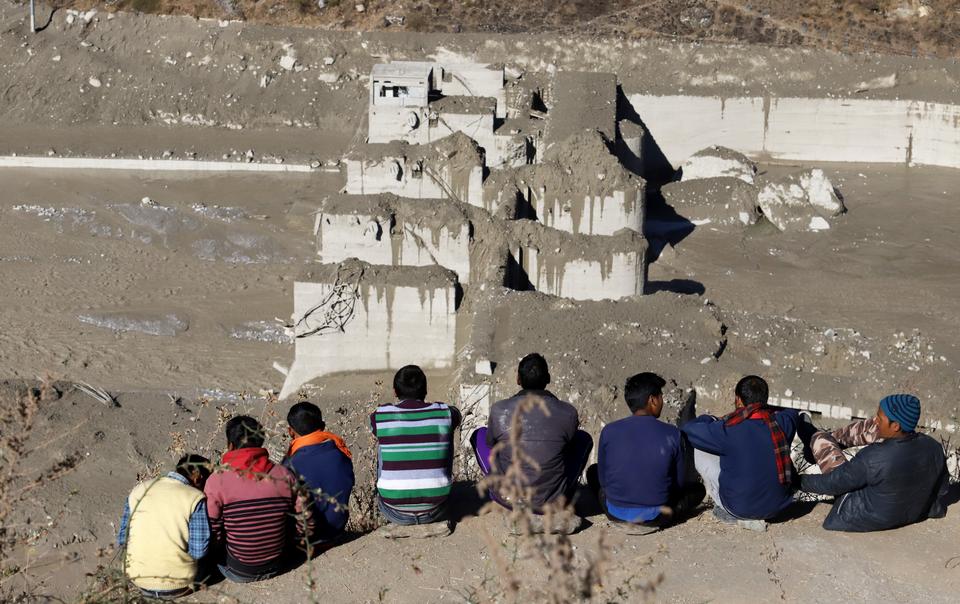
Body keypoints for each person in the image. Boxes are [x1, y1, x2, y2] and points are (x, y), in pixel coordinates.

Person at [799, 394, 949, 532]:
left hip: (864, 516)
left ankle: (811, 434)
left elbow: (833, 483)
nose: (876, 420)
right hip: (913, 511)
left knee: (820, 441)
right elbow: (942, 489)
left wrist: (795, 480)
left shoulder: (874, 457)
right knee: (870, 427)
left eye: (880, 418)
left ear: (895, 426)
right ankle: (819, 439)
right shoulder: (933, 447)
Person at [471, 353, 593, 511]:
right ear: (548, 378)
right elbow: (568, 448)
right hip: (554, 501)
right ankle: (563, 489)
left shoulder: (499, 410)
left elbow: (491, 445)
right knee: (583, 438)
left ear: (518, 380)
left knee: (480, 434)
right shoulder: (568, 412)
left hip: (508, 500)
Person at [586, 373, 705, 526]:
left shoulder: (609, 431)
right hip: (655, 517)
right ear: (652, 400)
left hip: (615, 513)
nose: (662, 401)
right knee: (698, 490)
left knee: (592, 472)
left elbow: (603, 480)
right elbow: (678, 484)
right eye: (660, 396)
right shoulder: (673, 434)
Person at [681, 375, 799, 528]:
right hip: (778, 509)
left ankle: (723, 507)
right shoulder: (783, 423)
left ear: (738, 399)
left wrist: (710, 418)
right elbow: (792, 412)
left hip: (738, 509)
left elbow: (689, 429)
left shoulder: (728, 429)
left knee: (701, 450)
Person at [205, 416, 307, 583]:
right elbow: (302, 519)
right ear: (261, 442)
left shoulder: (217, 481)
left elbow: (213, 531)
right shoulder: (284, 475)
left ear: (230, 446)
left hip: (238, 571)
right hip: (278, 564)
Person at [370, 365, 462, 525]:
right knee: (445, 431)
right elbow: (457, 415)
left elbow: (372, 425)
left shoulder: (381, 414)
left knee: (383, 443)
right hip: (437, 507)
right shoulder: (444, 412)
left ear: (395, 392)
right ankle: (436, 482)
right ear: (425, 390)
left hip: (393, 510)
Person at [117, 454, 212, 599]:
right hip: (179, 587)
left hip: (138, 581)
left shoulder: (139, 490)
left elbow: (123, 540)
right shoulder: (194, 497)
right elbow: (199, 551)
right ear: (197, 476)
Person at [283, 401, 355, 549]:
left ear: (290, 432)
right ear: (322, 426)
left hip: (307, 540)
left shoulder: (289, 465)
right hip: (336, 531)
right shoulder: (341, 454)